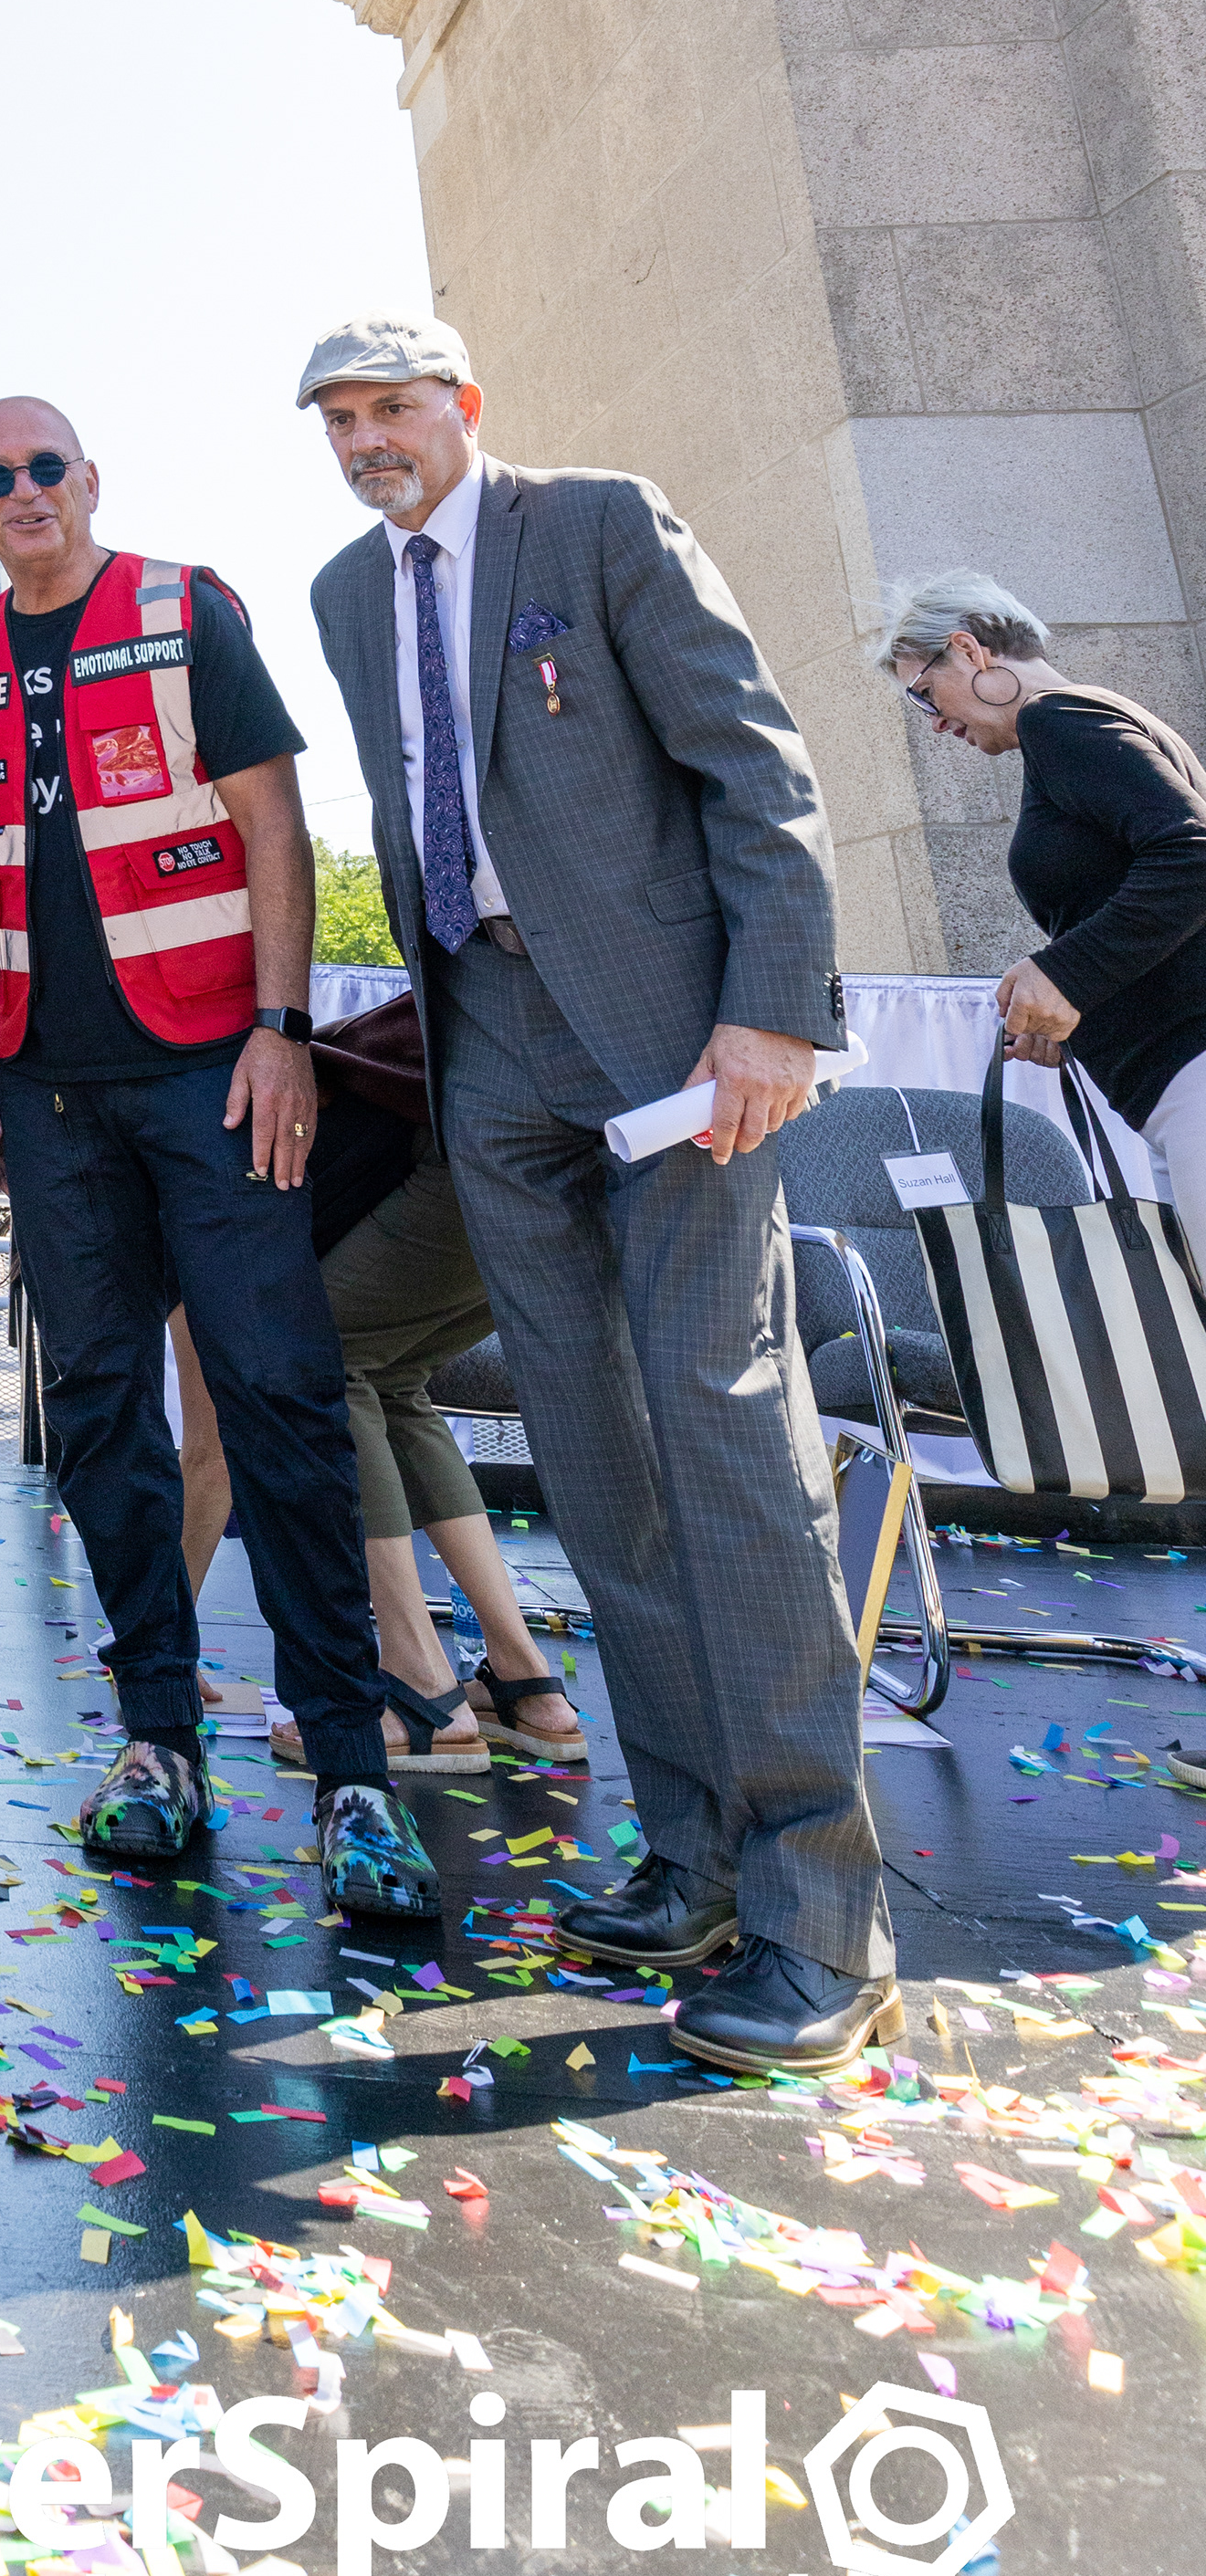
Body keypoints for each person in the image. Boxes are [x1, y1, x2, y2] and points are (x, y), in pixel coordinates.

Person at [301, 314, 892, 2070]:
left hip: (677, 1049)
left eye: (393, 404)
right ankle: (700, 1854)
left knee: (724, 1432)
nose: (366, 436)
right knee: (596, 1458)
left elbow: (756, 767)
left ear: (463, 404)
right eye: (338, 415)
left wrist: (775, 1010)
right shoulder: (345, 594)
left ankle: (822, 1915)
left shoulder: (602, 522)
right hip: (492, 1059)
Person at [0, 393, 436, 1930]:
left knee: (277, 1396)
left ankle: (350, 1766)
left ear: (90, 479)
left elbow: (272, 821)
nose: (26, 491)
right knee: (96, 1415)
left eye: (47, 467)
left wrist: (282, 1028)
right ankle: (159, 1742)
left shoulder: (180, 605)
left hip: (214, 1073)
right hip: (52, 1090)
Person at [883, 564, 1206, 1808]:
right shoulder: (1087, 736)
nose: (938, 723)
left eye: (928, 694)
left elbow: (1189, 857)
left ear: (972, 648)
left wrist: (1066, 970)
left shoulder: (1073, 724)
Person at [264, 1000, 589, 1777]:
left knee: (324, 1358)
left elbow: (208, 1451)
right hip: (554, 1150)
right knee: (395, 1379)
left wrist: (162, 1650)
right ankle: (525, 1680)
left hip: (478, 1135)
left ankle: (420, 1683)